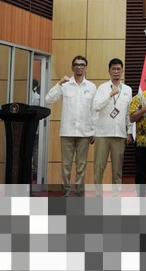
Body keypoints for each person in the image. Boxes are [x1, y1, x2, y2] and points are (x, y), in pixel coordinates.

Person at [45, 55, 96, 197]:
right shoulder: (65, 85)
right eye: (76, 65)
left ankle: (79, 194)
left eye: (82, 65)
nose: (79, 67)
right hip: (67, 131)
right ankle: (65, 193)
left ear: (86, 68)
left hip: (84, 133)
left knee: (81, 165)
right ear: (72, 68)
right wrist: (59, 83)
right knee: (66, 165)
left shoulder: (91, 87)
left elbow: (94, 110)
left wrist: (93, 131)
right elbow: (48, 99)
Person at [92, 58, 133, 197]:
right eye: (113, 69)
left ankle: (115, 196)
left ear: (122, 71)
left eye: (118, 69)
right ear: (109, 71)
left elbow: (128, 113)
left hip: (120, 134)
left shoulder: (128, 90)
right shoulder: (102, 88)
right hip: (102, 133)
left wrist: (129, 132)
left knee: (117, 169)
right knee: (99, 166)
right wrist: (110, 95)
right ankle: (98, 195)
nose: (116, 71)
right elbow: (96, 106)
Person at [30, 79, 41, 182]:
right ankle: (35, 171)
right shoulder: (38, 98)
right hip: (36, 129)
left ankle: (29, 169)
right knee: (35, 150)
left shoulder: (25, 96)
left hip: (26, 128)